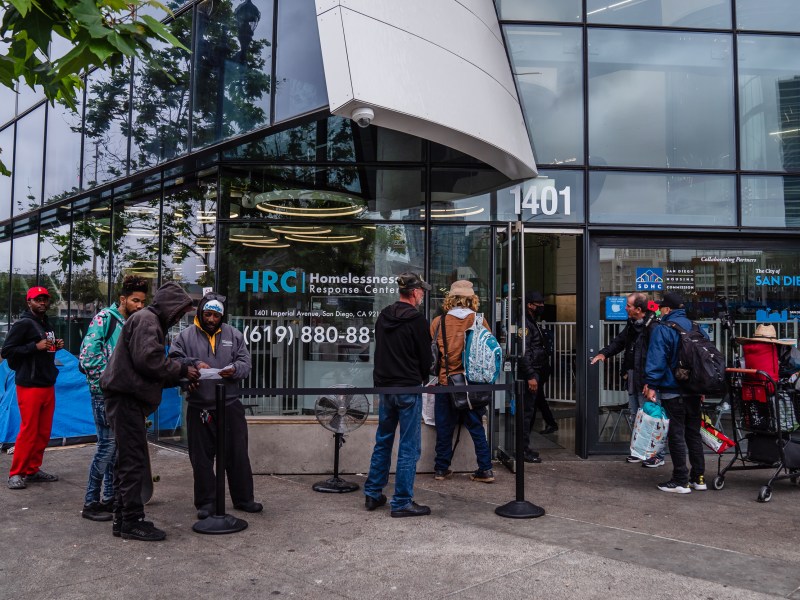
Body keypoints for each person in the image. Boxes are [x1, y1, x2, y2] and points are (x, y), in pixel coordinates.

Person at [99, 281, 200, 541]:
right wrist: (181, 370)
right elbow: (149, 361)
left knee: (127, 462)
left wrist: (180, 374)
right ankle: (132, 522)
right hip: (126, 400)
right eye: (179, 311)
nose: (180, 317)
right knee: (133, 462)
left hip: (125, 398)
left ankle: (123, 519)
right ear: (169, 306)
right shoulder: (147, 320)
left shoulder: (147, 320)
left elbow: (148, 367)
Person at [168, 292, 261, 519]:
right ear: (200, 312)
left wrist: (234, 370)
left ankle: (243, 499)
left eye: (216, 316)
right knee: (201, 458)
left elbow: (245, 363)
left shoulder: (234, 335)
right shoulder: (185, 336)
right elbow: (173, 361)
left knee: (237, 455)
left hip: (229, 404)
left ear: (222, 316)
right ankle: (206, 503)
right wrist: (192, 364)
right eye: (208, 314)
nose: (211, 320)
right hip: (200, 405)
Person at [78, 275, 149, 521]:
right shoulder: (105, 319)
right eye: (135, 300)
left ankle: (109, 498)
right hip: (105, 395)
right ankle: (90, 502)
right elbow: (87, 356)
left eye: (143, 301)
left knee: (116, 450)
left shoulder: (132, 322)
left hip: (120, 396)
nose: (140, 306)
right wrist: (108, 384)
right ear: (123, 299)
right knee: (107, 448)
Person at [364, 272, 432, 518]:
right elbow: (426, 358)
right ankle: (402, 501)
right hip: (408, 388)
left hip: (386, 388)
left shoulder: (383, 316)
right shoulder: (417, 321)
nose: (423, 293)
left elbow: (379, 350)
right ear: (414, 292)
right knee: (408, 446)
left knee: (383, 440)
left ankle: (373, 493)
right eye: (421, 290)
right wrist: (423, 378)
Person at [430, 280, 494, 483]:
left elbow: (433, 353)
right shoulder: (479, 320)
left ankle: (441, 469)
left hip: (445, 382)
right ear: (471, 298)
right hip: (472, 383)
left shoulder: (438, 322)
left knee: (444, 427)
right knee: (476, 427)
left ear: (451, 298)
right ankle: (485, 469)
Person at [1, 286, 64, 490]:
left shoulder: (46, 323)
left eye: (45, 299)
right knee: (29, 430)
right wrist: (34, 347)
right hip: (29, 385)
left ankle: (33, 469)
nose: (42, 303)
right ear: (29, 302)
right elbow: (7, 350)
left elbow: (45, 349)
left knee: (43, 432)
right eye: (38, 300)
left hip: (47, 383)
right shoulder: (23, 324)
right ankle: (15, 473)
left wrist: (56, 345)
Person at [644, 291, 706, 494]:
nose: (660, 310)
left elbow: (657, 359)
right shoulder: (697, 328)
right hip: (695, 390)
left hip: (673, 390)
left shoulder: (663, 329)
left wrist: (651, 384)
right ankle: (699, 478)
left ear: (667, 309)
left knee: (676, 434)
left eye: (662, 307)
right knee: (693, 434)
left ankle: (680, 480)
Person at [591, 292, 662, 465]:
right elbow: (619, 342)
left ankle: (656, 456)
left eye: (628, 306)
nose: (625, 308)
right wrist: (604, 353)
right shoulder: (632, 324)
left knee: (651, 418)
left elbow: (658, 357)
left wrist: (651, 382)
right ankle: (639, 452)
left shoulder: (654, 327)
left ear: (638, 309)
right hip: (633, 376)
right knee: (636, 416)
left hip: (647, 380)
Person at [519, 291, 555, 464]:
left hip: (536, 371)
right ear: (530, 305)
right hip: (531, 373)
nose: (542, 306)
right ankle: (522, 450)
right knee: (526, 414)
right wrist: (531, 375)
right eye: (538, 303)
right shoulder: (525, 323)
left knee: (530, 412)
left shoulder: (532, 321)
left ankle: (524, 447)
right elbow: (524, 352)